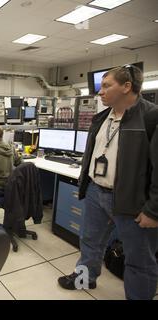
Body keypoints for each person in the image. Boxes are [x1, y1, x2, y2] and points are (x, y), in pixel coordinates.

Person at [57, 65, 158, 300]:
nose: (99, 92)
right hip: (95, 191)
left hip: (132, 200)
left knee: (140, 259)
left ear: (126, 87)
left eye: (106, 86)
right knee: (90, 242)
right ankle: (85, 279)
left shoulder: (151, 117)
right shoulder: (102, 117)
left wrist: (153, 210)